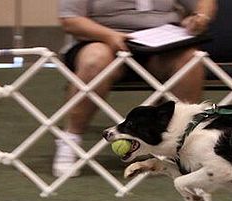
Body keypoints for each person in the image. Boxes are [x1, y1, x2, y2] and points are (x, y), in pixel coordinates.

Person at [54, 0, 216, 177]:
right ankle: (70, 139)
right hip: (102, 40)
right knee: (94, 60)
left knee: (191, 60)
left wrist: (200, 17)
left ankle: (184, 146)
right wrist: (110, 36)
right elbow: (70, 20)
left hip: (163, 43)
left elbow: (203, 3)